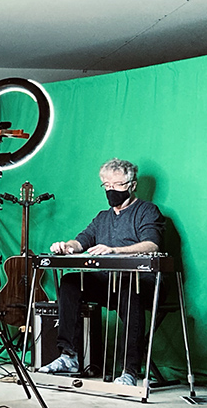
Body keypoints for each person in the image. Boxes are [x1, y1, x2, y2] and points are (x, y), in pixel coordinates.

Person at [38, 158, 165, 386]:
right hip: (109, 282)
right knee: (70, 283)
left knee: (129, 289)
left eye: (117, 185)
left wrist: (114, 250)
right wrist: (66, 246)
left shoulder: (147, 211)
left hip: (142, 283)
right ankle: (69, 356)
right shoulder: (102, 217)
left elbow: (152, 245)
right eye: (107, 185)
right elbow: (81, 241)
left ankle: (129, 371)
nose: (111, 190)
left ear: (132, 185)